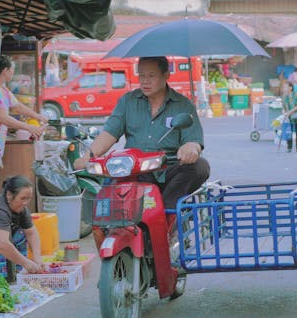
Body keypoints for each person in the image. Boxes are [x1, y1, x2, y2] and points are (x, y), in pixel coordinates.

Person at [74, 56, 210, 210]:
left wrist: (191, 147)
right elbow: (109, 133)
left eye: (151, 76)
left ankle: (167, 212)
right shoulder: (128, 101)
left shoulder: (183, 105)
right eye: (142, 75)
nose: (145, 81)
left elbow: (193, 139)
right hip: (135, 170)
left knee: (200, 166)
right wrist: (87, 157)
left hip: (169, 169)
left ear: (166, 75)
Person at [0, 55, 47, 199]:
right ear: (5, 70)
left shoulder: (3, 90)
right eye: (12, 70)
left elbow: (18, 107)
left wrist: (37, 116)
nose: (13, 73)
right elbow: (3, 118)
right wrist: (29, 127)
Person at [281, 80, 297, 152]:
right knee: (289, 132)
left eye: (285, 87)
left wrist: (289, 112)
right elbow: (283, 107)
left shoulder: (296, 94)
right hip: (289, 118)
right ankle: (289, 147)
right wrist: (284, 113)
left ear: (290, 88)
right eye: (284, 87)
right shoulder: (284, 97)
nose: (284, 89)